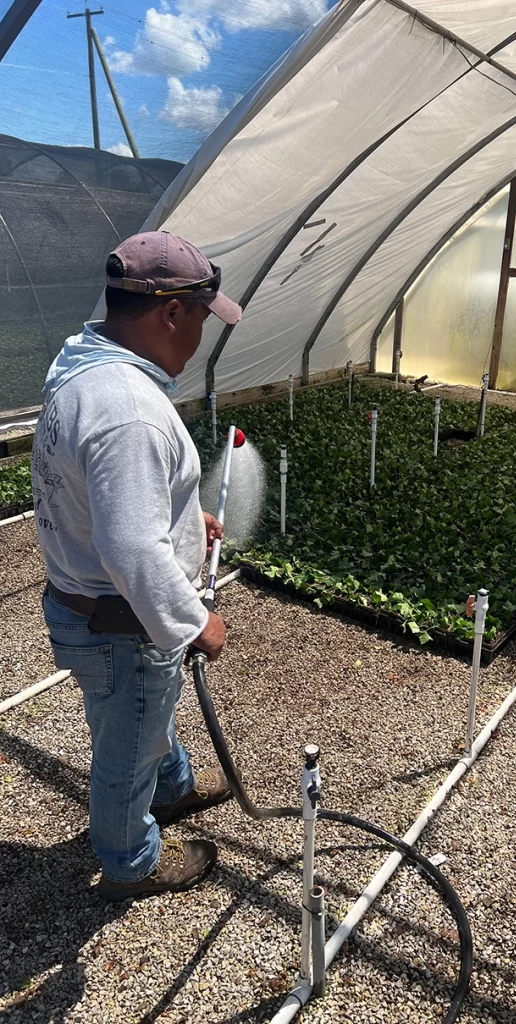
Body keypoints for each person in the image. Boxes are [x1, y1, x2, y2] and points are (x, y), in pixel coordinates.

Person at [32, 230, 243, 901]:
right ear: (171, 312)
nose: (203, 335)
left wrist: (183, 521)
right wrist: (193, 623)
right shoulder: (130, 414)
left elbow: (111, 504)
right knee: (127, 743)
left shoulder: (84, 368)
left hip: (87, 605)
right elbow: (130, 550)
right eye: (205, 318)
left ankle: (174, 788)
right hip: (121, 623)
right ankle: (132, 860)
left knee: (143, 710)